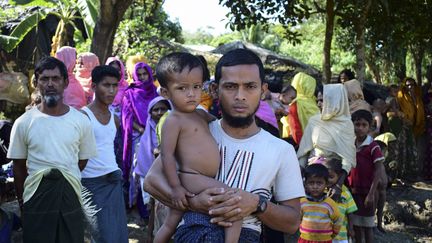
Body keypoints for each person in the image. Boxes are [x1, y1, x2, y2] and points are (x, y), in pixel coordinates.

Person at [144, 48, 305, 242]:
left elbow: (292, 222)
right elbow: (151, 182)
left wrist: (256, 204)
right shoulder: (197, 130)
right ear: (213, 89)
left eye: (250, 86)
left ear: (263, 91)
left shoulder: (282, 150)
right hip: (193, 232)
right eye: (230, 86)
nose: (240, 96)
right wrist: (194, 203)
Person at [152, 52, 242, 243]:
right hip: (191, 177)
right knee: (234, 205)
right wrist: (175, 187)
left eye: (196, 87)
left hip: (200, 178)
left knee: (171, 223)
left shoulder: (199, 114)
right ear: (165, 93)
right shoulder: (173, 120)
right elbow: (167, 155)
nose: (192, 94)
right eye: (182, 88)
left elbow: (220, 123)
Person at [7, 56, 97, 242]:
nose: (50, 84)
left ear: (65, 82)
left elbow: (82, 160)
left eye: (55, 79)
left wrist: (61, 177)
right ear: (36, 83)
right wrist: (25, 203)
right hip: (35, 196)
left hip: (70, 192)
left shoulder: (80, 121)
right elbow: (18, 167)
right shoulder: (24, 123)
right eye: (44, 79)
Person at [80, 65, 128, 242]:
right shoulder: (83, 116)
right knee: (102, 236)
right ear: (93, 87)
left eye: (115, 85)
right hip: (90, 183)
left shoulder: (114, 119)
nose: (111, 90)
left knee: (119, 234)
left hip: (113, 180)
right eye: (106, 85)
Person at [297, 84, 356, 201]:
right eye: (318, 100)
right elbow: (303, 153)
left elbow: (347, 158)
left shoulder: (346, 124)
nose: (319, 104)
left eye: (323, 101)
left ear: (335, 101)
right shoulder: (314, 121)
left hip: (334, 179)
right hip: (313, 178)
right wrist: (300, 180)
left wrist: (338, 185)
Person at [121, 62, 158, 208]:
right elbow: (127, 116)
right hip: (138, 136)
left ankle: (151, 205)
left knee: (153, 169)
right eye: (140, 74)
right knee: (137, 170)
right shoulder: (129, 93)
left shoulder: (155, 91)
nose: (142, 78)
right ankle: (137, 204)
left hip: (155, 135)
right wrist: (142, 130)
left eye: (145, 74)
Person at [347, 109, 385, 243]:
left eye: (364, 125)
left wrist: (372, 193)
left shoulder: (373, 146)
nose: (360, 128)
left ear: (370, 127)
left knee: (368, 226)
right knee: (356, 226)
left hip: (368, 192)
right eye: (357, 124)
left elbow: (379, 170)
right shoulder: (350, 144)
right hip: (354, 191)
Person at [135, 96, 170, 205]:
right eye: (156, 110)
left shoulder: (172, 128)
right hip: (149, 173)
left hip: (168, 174)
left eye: (163, 109)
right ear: (150, 112)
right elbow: (144, 159)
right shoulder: (147, 136)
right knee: (151, 205)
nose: (159, 112)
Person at [299, 163, 343, 243]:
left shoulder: (329, 204)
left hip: (325, 240)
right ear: (305, 184)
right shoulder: (302, 202)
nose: (315, 186)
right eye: (311, 183)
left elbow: (338, 219)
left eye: (319, 183)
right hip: (305, 240)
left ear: (326, 184)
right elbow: (298, 218)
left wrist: (333, 234)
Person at [323, 158, 357, 243]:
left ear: (340, 176)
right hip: (323, 234)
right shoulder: (322, 191)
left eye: (331, 177)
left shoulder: (345, 192)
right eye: (326, 177)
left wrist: (351, 228)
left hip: (341, 236)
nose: (328, 180)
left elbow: (350, 213)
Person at [374, 132, 396, 233]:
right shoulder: (375, 163)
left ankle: (379, 224)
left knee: (380, 209)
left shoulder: (383, 163)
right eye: (383, 151)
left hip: (383, 191)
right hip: (376, 191)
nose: (385, 153)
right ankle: (373, 225)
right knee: (373, 208)